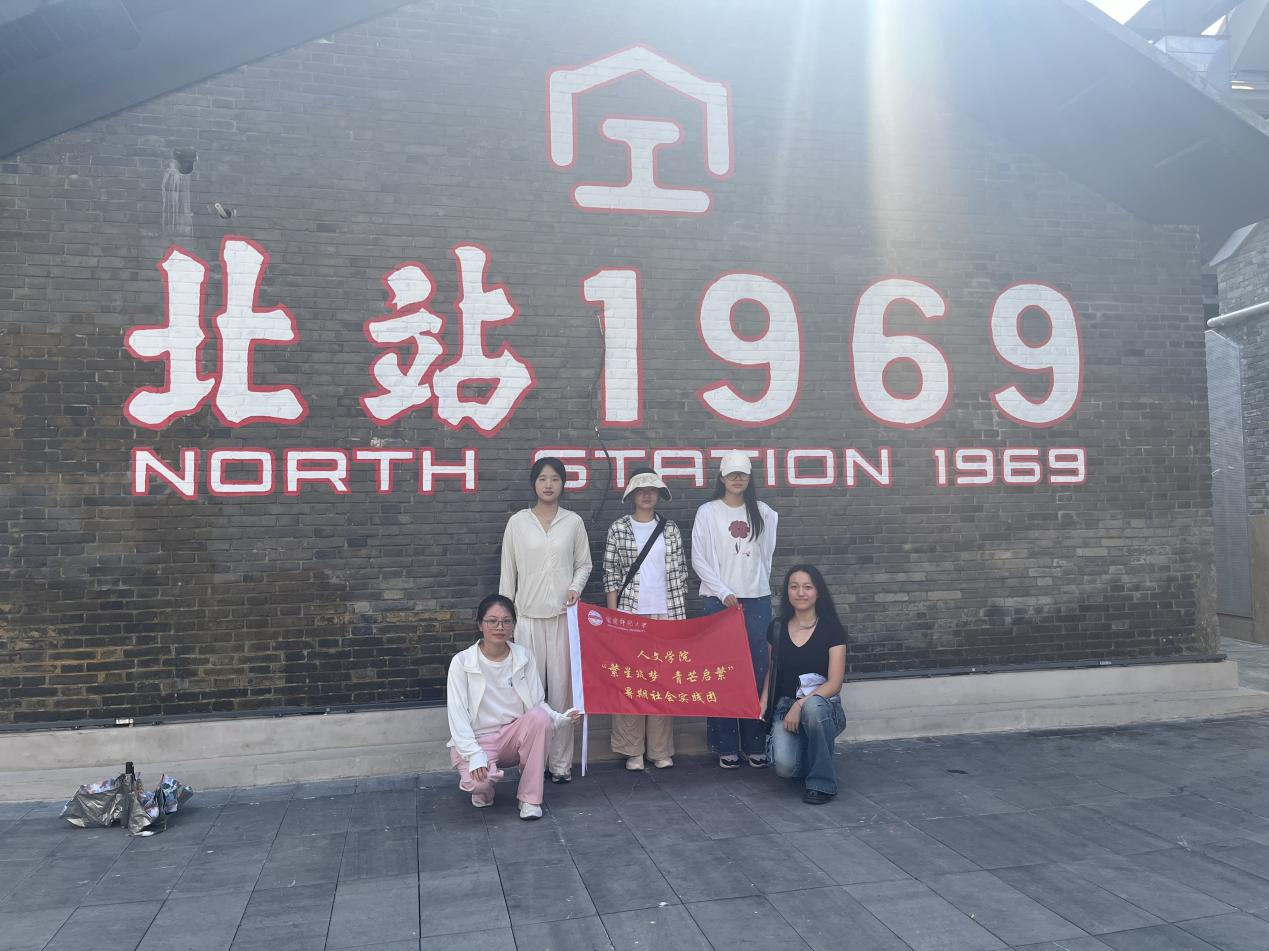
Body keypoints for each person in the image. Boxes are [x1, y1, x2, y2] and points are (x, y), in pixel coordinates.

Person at [446, 594, 582, 819]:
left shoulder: (523, 657)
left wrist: (559, 718)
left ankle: (530, 799)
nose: (499, 627)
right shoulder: (462, 662)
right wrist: (474, 754)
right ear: (480, 624)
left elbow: (537, 703)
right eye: (492, 621)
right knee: (479, 784)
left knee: (539, 718)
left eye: (506, 621)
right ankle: (484, 791)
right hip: (478, 739)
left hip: (513, 735)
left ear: (513, 625)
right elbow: (457, 714)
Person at [499, 456, 592, 783]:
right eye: (542, 478)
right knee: (530, 695)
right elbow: (507, 574)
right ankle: (532, 762)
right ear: (533, 484)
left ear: (563, 484)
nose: (548, 484)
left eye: (555, 478)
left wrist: (575, 587)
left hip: (564, 618)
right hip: (527, 619)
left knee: (564, 693)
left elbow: (584, 564)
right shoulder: (518, 523)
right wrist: (505, 623)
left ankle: (561, 764)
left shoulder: (573, 522)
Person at [691, 451, 778, 769]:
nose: (737, 479)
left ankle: (755, 743)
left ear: (749, 477)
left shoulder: (764, 512)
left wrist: (753, 587)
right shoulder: (708, 512)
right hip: (719, 600)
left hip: (757, 599)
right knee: (722, 672)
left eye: (742, 474)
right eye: (732, 474)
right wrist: (724, 591)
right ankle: (725, 745)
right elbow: (699, 559)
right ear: (722, 477)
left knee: (758, 670)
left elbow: (767, 557)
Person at [603, 467, 689, 771]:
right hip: (630, 615)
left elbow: (681, 573)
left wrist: (679, 618)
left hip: (665, 614)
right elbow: (610, 574)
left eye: (652, 489)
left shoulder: (670, 529)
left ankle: (660, 750)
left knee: (662, 682)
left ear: (659, 494)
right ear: (632, 494)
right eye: (641, 490)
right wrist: (614, 619)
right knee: (631, 682)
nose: (647, 494)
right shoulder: (618, 528)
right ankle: (632, 751)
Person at [760, 564, 848, 804]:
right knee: (786, 768)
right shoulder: (776, 628)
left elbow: (835, 683)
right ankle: (815, 750)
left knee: (813, 708)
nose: (800, 593)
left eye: (808, 587)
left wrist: (799, 706)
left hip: (823, 706)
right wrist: (764, 701)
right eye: (794, 587)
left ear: (818, 592)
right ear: (787, 591)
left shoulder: (832, 629)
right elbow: (772, 670)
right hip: (784, 707)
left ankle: (822, 784)